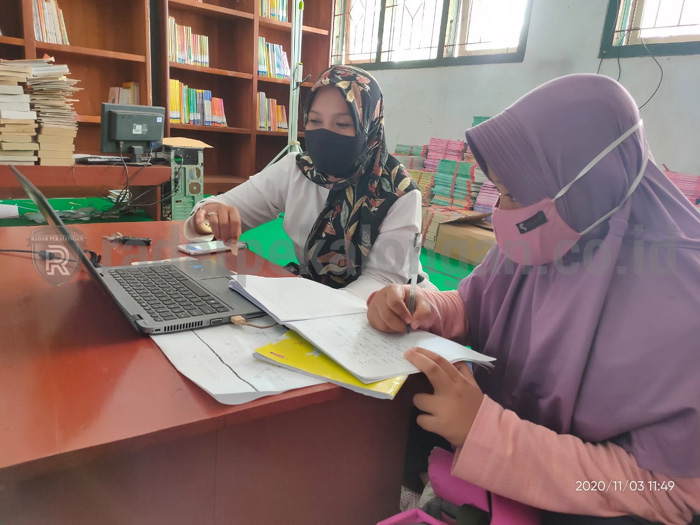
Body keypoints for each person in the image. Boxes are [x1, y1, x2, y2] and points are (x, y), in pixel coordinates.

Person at [368, 74, 700, 524]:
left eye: (512, 195)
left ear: (585, 186)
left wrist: (489, 435)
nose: (499, 213)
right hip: (511, 475)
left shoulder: (681, 301)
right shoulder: (553, 229)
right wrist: (424, 305)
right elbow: (476, 304)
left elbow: (669, 492)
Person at [183, 65, 432, 300]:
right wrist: (205, 218)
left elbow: (382, 280)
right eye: (315, 121)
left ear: (370, 127)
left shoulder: (399, 192)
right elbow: (215, 213)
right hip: (311, 298)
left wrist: (311, 308)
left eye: (343, 123)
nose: (325, 134)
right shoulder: (298, 169)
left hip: (389, 310)